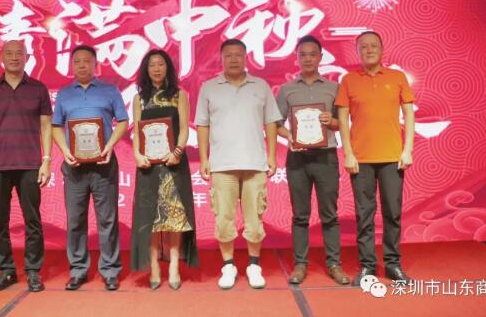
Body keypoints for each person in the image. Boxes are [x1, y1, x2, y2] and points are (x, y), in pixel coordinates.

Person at [195, 38, 282, 290]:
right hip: (222, 165)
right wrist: (204, 159)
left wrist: (272, 156)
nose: (233, 59)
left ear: (246, 57)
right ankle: (228, 265)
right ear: (221, 59)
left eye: (238, 55)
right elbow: (202, 125)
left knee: (255, 219)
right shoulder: (209, 88)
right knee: (223, 218)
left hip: (255, 163)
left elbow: (271, 122)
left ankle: (254, 265)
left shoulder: (260, 86)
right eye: (228, 55)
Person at [335, 31, 415, 286]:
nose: (369, 50)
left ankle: (393, 264)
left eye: (373, 46)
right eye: (364, 47)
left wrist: (407, 149)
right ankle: (368, 265)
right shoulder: (348, 80)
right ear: (357, 51)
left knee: (393, 213)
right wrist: (348, 153)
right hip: (361, 159)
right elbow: (343, 120)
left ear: (381, 49)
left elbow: (409, 114)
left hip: (392, 157)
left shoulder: (397, 77)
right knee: (364, 214)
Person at [0, 40, 52, 293]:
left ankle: (33, 271)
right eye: (9, 53)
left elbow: (46, 126)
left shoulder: (38, 88)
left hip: (30, 164)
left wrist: (46, 160)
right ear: (1, 57)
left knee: (33, 221)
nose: (14, 57)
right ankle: (6, 270)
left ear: (27, 57)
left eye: (19, 53)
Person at [52, 45, 128, 291]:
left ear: (96, 64)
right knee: (75, 220)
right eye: (77, 61)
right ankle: (78, 270)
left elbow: (123, 121)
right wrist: (65, 151)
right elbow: (56, 126)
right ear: (72, 65)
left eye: (87, 61)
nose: (82, 65)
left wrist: (110, 146)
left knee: (108, 219)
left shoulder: (110, 90)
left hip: (103, 164)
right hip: (74, 166)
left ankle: (110, 270)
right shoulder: (64, 94)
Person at [276, 35, 350, 285]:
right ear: (296, 58)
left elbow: (341, 123)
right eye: (303, 54)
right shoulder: (287, 89)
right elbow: (275, 123)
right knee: (300, 215)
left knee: (329, 214)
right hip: (297, 158)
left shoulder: (333, 88)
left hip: (325, 156)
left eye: (312, 54)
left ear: (320, 57)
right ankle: (300, 264)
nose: (307, 58)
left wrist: (333, 121)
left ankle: (334, 264)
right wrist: (290, 137)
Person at [130, 49, 199, 290]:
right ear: (146, 70)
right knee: (149, 216)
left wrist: (177, 152)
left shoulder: (179, 95)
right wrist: (137, 154)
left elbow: (184, 129)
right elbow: (136, 131)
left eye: (161, 64)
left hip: (173, 163)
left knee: (175, 216)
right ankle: (154, 266)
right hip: (147, 165)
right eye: (152, 65)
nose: (157, 69)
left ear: (167, 68)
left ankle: (174, 266)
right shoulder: (139, 99)